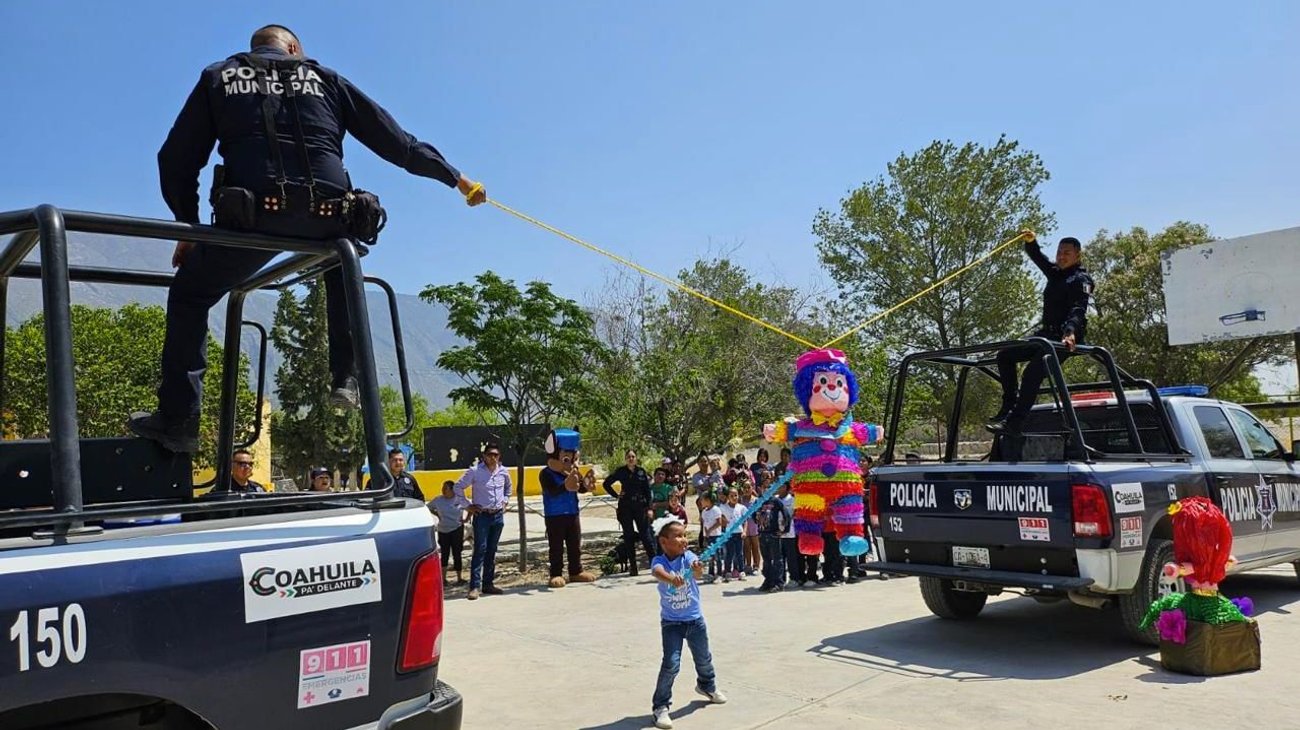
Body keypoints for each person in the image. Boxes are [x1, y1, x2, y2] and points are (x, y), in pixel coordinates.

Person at [131, 24, 487, 453]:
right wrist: (459, 180)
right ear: (295, 49)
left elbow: (175, 159)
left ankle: (180, 421)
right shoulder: (327, 78)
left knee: (190, 295)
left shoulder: (217, 77)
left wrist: (186, 226)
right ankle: (347, 378)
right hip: (329, 220)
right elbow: (400, 145)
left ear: (257, 48)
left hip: (251, 222)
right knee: (342, 256)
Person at [988, 232, 1094, 433]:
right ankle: (1009, 404)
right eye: (1059, 252)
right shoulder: (1055, 273)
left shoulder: (1081, 279)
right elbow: (1038, 258)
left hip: (1065, 339)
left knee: (1032, 373)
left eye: (1067, 253)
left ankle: (1015, 422)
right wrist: (1031, 241)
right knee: (1005, 355)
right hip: (1046, 334)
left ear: (1078, 255)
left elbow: (1078, 309)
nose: (1061, 256)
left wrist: (1070, 332)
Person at [649, 516, 727, 729]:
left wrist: (697, 567)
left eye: (685, 535)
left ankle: (706, 686)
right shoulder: (660, 561)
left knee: (704, 658)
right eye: (678, 536)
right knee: (671, 664)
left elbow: (698, 573)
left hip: (695, 620)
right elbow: (657, 572)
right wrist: (671, 579)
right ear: (664, 542)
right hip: (672, 624)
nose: (684, 539)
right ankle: (660, 706)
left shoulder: (689, 556)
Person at [453, 442, 512, 600]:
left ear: (499, 456)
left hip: (498, 516)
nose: (492, 458)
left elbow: (508, 488)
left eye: (496, 455)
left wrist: (505, 502)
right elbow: (457, 487)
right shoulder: (475, 471)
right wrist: (468, 506)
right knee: (480, 550)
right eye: (489, 454)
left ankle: (488, 584)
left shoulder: (504, 472)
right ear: (484, 456)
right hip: (482, 516)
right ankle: (474, 587)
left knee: (492, 550)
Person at [539, 429, 596, 588]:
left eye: (574, 458)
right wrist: (566, 485)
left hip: (572, 513)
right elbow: (552, 490)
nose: (570, 462)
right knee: (556, 546)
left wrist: (586, 485)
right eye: (566, 458)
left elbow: (580, 488)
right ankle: (556, 573)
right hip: (554, 514)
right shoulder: (546, 474)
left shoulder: (572, 472)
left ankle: (575, 571)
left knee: (574, 544)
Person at [604, 449, 655, 576]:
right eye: (628, 457)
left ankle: (655, 564)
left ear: (636, 458)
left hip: (640, 506)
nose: (631, 459)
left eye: (633, 456)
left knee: (645, 535)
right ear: (625, 459)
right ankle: (633, 566)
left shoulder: (641, 472)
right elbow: (606, 483)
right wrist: (616, 495)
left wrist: (649, 508)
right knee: (629, 536)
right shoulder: (621, 471)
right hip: (625, 507)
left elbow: (647, 491)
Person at [430, 480, 467, 585]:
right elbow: (428, 507)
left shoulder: (459, 499)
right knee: (444, 554)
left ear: (452, 490)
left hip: (457, 529)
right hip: (443, 530)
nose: (443, 490)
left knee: (457, 553)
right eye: (442, 487)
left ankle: (459, 577)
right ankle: (443, 579)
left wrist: (466, 519)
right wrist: (437, 514)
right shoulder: (438, 500)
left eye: (445, 488)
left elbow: (470, 507)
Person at [755, 485, 790, 593]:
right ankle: (768, 581)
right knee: (766, 560)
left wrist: (785, 530)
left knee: (777, 559)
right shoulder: (759, 501)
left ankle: (778, 583)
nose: (766, 490)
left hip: (773, 534)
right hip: (762, 534)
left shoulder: (776, 501)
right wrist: (756, 520)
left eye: (769, 488)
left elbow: (786, 514)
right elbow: (751, 514)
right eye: (764, 488)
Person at [778, 482, 800, 585]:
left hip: (789, 533)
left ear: (787, 488)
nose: (779, 488)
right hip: (777, 533)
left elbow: (795, 513)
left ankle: (794, 578)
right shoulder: (775, 499)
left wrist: (787, 520)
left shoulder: (792, 500)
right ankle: (781, 579)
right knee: (780, 558)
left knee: (791, 558)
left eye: (782, 486)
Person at [722, 488, 745, 581]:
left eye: (736, 495)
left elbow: (745, 520)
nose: (734, 497)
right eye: (731, 496)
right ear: (728, 497)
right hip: (729, 533)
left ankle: (741, 571)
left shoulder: (741, 507)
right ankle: (728, 571)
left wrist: (744, 531)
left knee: (739, 553)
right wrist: (724, 521)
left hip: (739, 533)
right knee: (729, 553)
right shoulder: (723, 507)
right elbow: (720, 516)